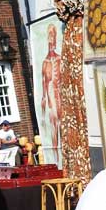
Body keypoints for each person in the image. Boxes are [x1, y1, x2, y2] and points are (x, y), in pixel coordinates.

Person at [41, 23, 61, 163]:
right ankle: (56, 161)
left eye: (54, 36)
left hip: (61, 96)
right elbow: (43, 88)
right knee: (54, 126)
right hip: (51, 98)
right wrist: (42, 115)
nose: (52, 40)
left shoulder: (60, 59)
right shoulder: (45, 63)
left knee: (64, 125)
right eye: (50, 36)